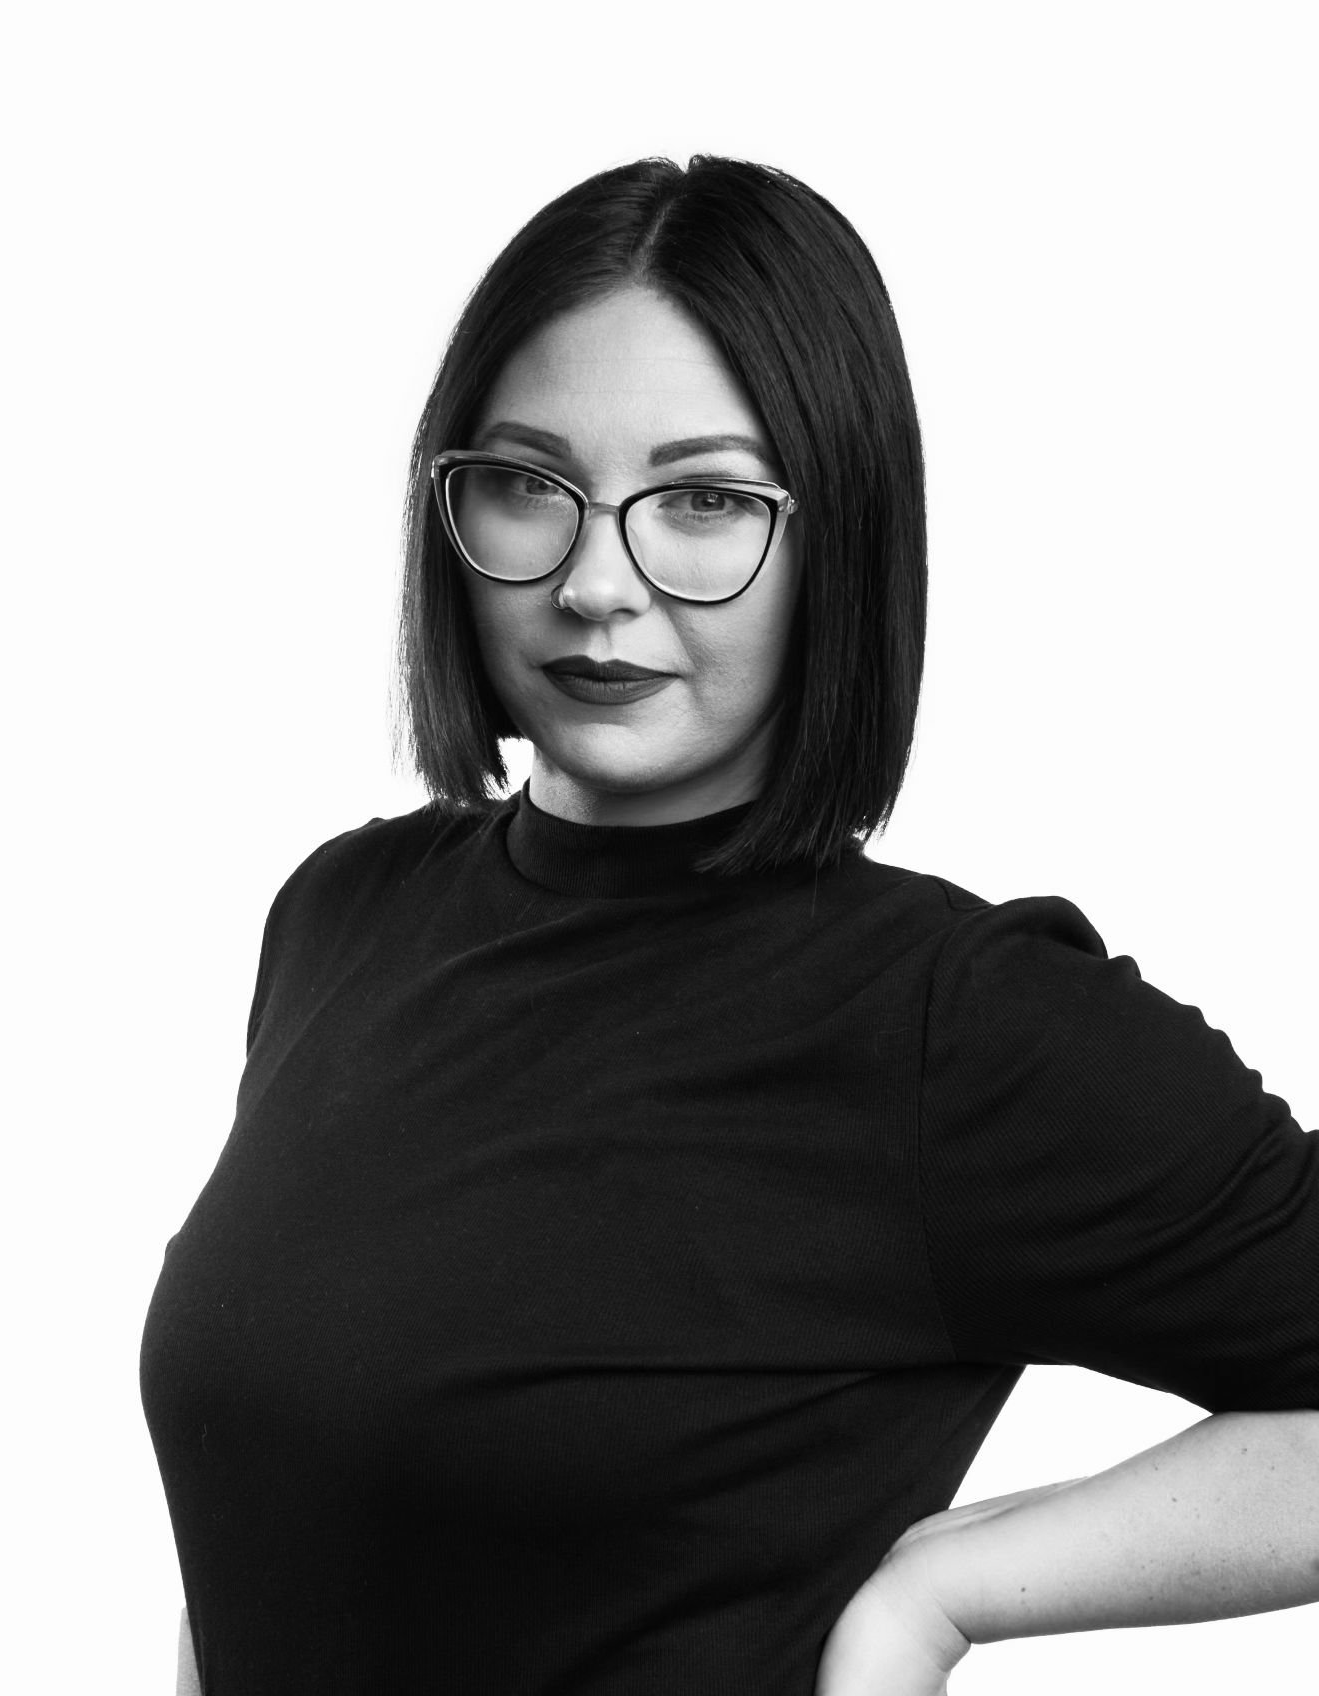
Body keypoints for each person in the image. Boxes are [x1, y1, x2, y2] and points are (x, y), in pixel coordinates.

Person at [139, 154, 1319, 1696]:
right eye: (526, 485)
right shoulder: (343, 918)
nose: (595, 584)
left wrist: (942, 1593)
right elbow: (281, 1523)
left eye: (703, 501)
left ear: (841, 531)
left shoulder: (948, 1024)